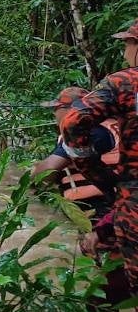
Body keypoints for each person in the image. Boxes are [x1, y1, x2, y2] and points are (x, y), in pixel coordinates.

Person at [60, 19, 138, 300]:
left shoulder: (125, 82)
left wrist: (95, 171)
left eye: (128, 43)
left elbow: (73, 122)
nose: (125, 51)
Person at [31, 86, 120, 219]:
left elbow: (47, 171)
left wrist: (29, 181)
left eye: (56, 109)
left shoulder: (87, 133)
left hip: (99, 207)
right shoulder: (116, 125)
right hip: (121, 201)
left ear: (73, 111)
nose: (54, 114)